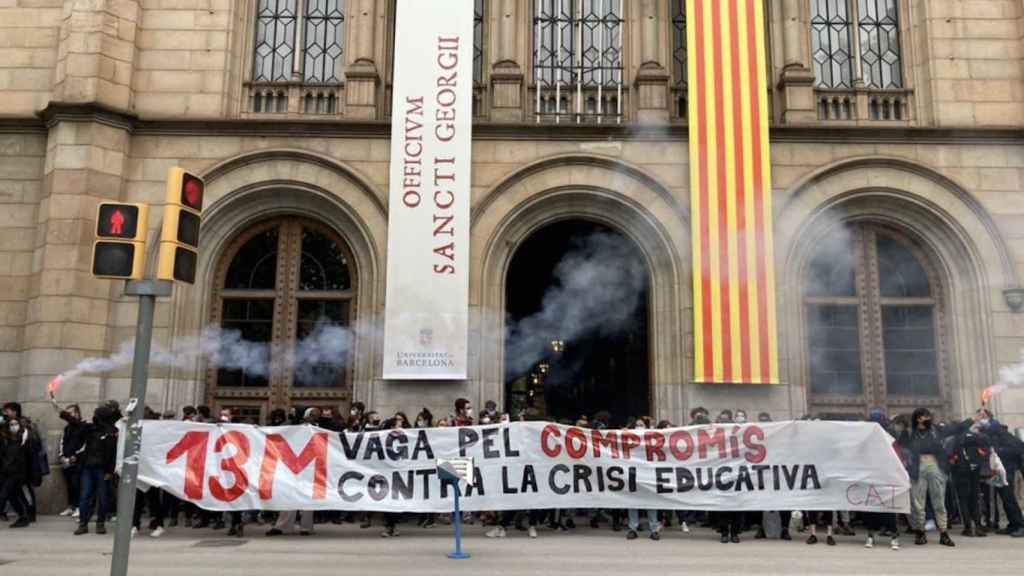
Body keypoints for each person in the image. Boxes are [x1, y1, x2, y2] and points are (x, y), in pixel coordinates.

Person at [899, 407, 975, 547]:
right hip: (917, 468)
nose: (929, 418)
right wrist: (905, 461)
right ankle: (920, 532)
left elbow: (956, 428)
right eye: (925, 416)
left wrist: (973, 419)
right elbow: (899, 447)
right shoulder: (909, 433)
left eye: (929, 415)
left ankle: (944, 533)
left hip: (935, 466)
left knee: (939, 501)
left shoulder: (936, 430)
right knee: (918, 503)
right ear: (918, 418)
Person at [75, 406, 118, 535]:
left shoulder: (111, 432)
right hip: (88, 467)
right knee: (85, 496)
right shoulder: (91, 428)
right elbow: (76, 424)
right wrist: (64, 414)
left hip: (102, 469)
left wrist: (110, 471)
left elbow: (112, 453)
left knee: (103, 497)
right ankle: (83, 523)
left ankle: (100, 523)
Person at [948, 414, 992, 538]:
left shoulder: (956, 439)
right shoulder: (976, 437)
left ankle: (968, 528)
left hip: (961, 472)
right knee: (974, 498)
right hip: (975, 471)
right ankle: (978, 526)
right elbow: (985, 453)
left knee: (963, 499)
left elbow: (950, 456)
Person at [983, 417, 1024, 537]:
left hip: (1009, 472)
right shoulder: (996, 437)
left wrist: (997, 451)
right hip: (1000, 473)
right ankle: (1012, 525)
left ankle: (1020, 525)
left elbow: (1016, 451)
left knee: (1010, 500)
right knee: (1005, 501)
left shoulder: (1008, 438)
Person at [626, 418, 661, 541]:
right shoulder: (628, 439)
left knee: (651, 503)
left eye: (641, 425)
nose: (639, 427)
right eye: (637, 425)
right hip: (632, 474)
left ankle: (654, 529)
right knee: (632, 503)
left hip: (648, 474)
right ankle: (632, 528)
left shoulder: (651, 439)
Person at [52, 400, 87, 518]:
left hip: (78, 462)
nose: (68, 415)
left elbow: (85, 445)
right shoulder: (67, 428)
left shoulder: (84, 426)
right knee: (70, 485)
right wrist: (62, 456)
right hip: (66, 462)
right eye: (67, 413)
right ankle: (71, 506)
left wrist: (75, 456)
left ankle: (79, 507)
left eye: (70, 413)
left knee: (78, 485)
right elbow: (62, 442)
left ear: (77, 413)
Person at [0, 414, 31, 528]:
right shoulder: (7, 440)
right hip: (6, 472)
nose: (13, 427)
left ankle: (25, 516)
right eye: (11, 425)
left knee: (3, 495)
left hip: (17, 473)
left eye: (15, 424)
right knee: (12, 496)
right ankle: (23, 517)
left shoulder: (23, 438)